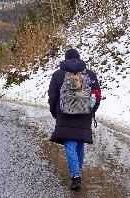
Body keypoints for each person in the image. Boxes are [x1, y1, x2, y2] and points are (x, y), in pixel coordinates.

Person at [48, 49, 101, 190]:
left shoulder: (58, 75)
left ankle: (76, 176)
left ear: (65, 59)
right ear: (79, 58)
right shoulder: (90, 75)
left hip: (64, 114)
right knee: (79, 143)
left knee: (70, 144)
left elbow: (52, 97)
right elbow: (97, 95)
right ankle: (77, 172)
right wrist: (91, 111)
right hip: (84, 115)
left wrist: (55, 113)